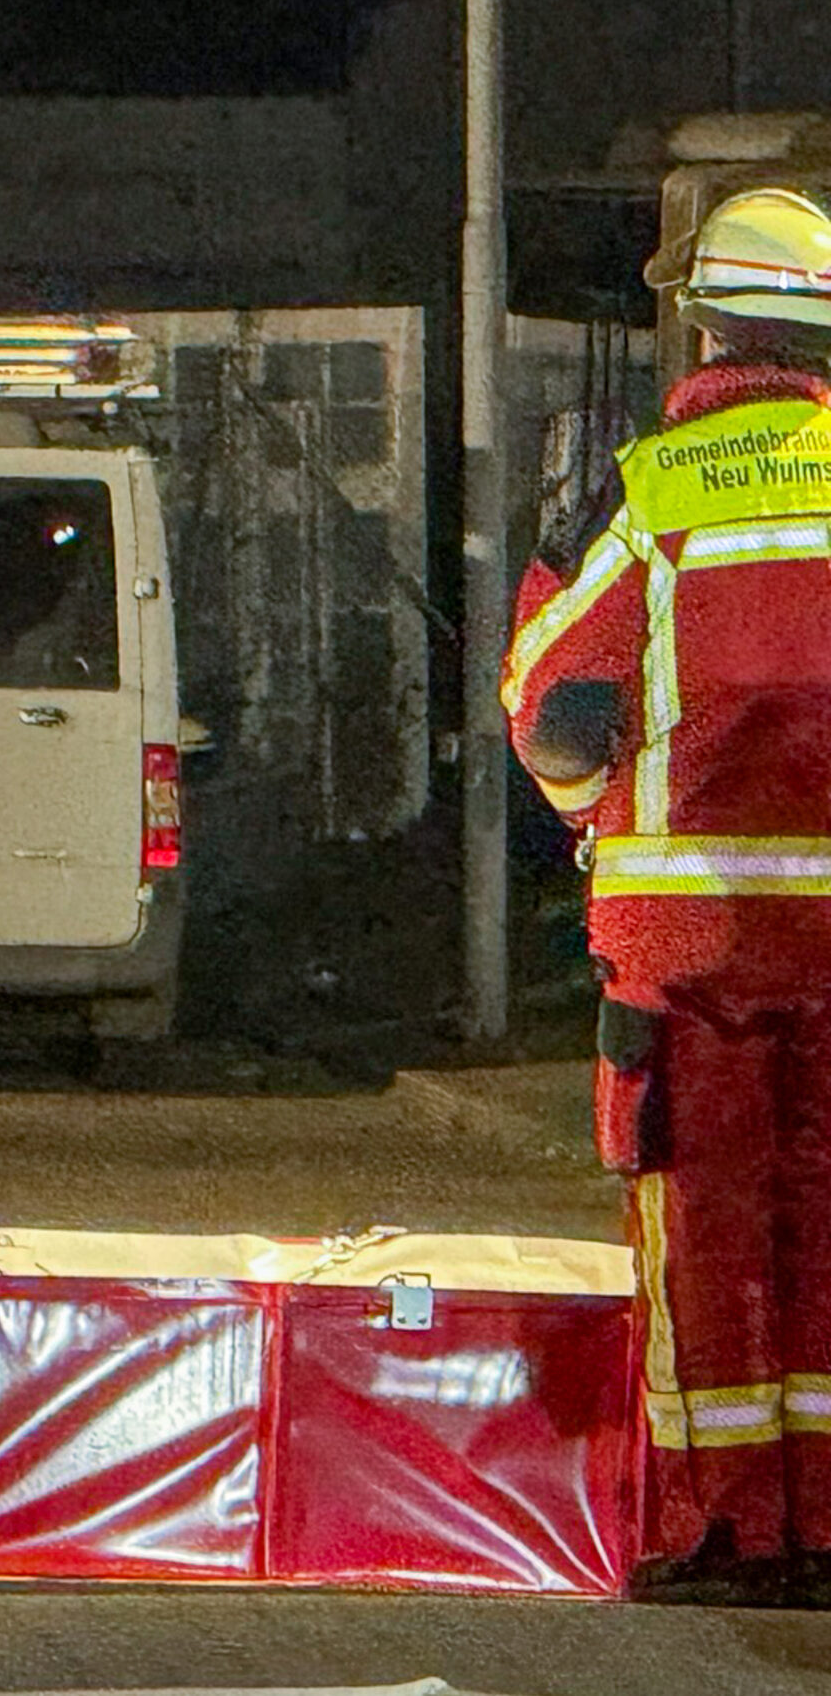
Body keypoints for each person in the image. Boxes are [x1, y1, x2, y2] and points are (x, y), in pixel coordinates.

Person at [503, 186, 831, 1605]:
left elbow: (558, 713)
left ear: (702, 320)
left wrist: (599, 826)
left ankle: (717, 1527)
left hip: (684, 950)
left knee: (702, 1237)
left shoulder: (649, 492)